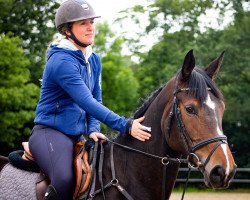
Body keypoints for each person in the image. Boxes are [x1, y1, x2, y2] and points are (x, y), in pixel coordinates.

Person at [28, 0, 151, 199]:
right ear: (67, 30)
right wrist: (125, 125)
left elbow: (96, 98)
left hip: (76, 136)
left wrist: (93, 129)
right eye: (83, 23)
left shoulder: (93, 59)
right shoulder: (61, 61)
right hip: (49, 133)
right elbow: (87, 102)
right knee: (64, 179)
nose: (90, 27)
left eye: (91, 22)